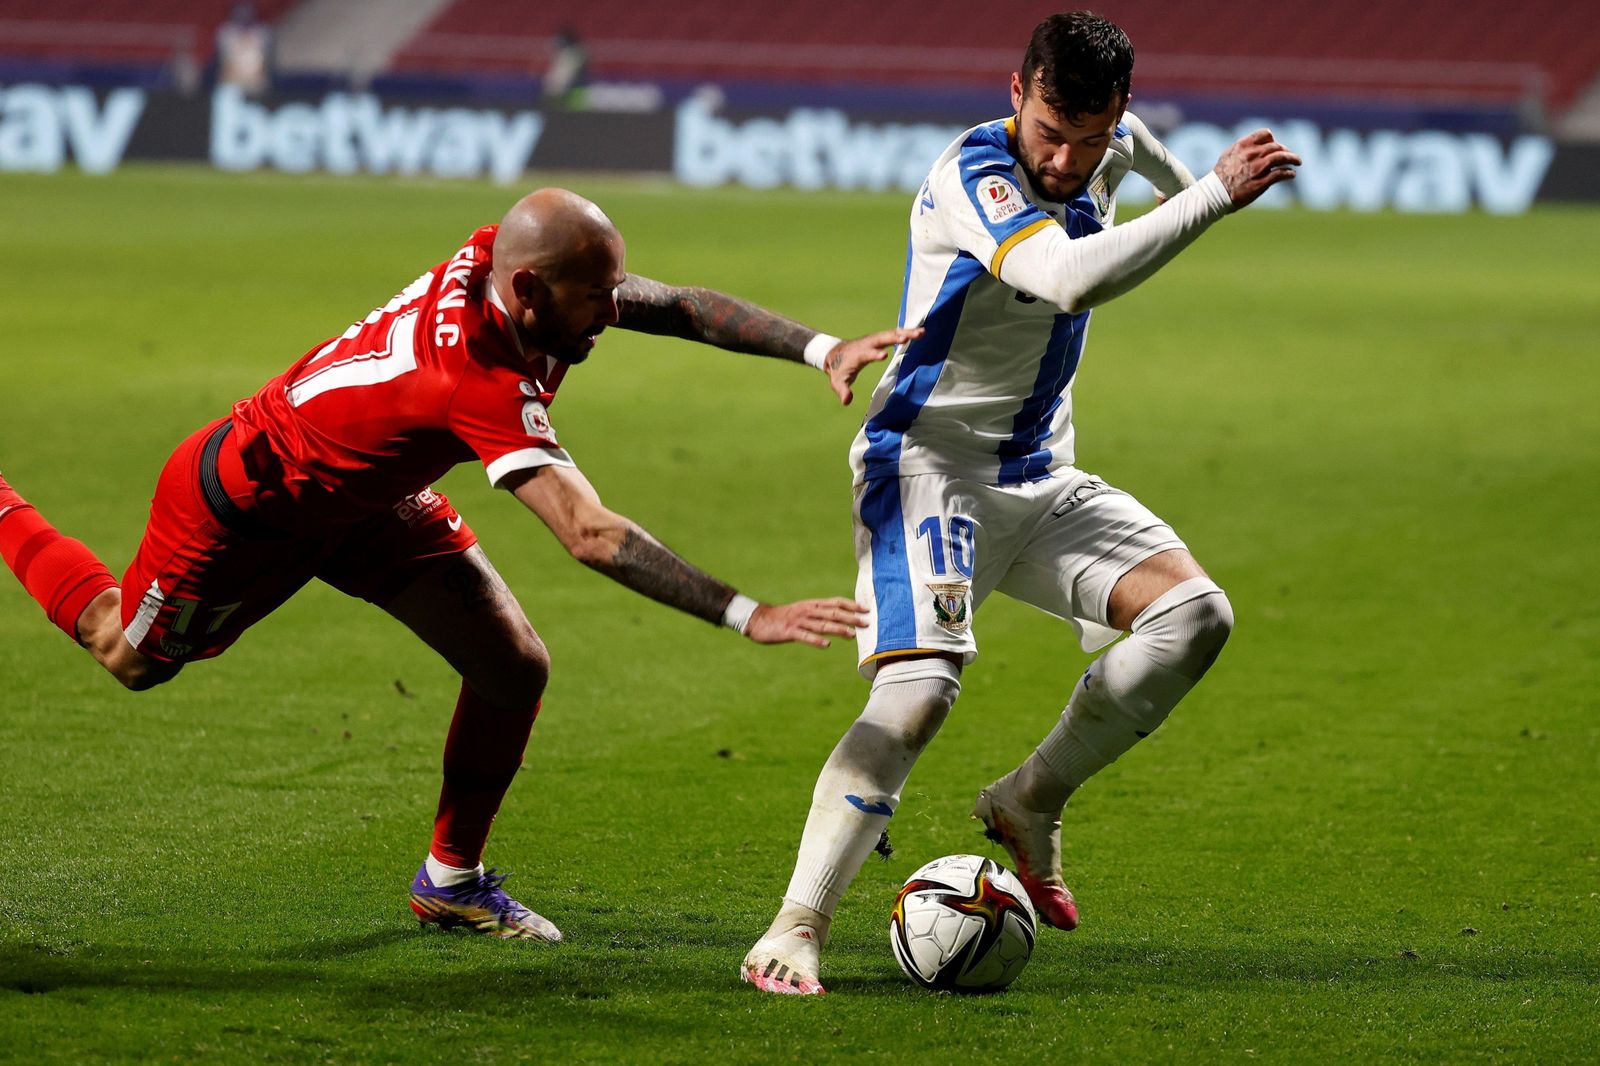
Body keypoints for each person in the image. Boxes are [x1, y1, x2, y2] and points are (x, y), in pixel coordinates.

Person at [0, 188, 918, 942]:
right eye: (593, 299)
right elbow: (589, 533)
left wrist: (818, 347)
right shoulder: (474, 375)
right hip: (248, 505)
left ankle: (451, 879)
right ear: (526, 293)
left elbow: (671, 304)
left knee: (512, 665)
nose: (612, 310)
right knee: (126, 652)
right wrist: (746, 612)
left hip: (363, 500)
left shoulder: (513, 268)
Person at [742, 11, 1300, 994]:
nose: (1062, 156)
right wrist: (1210, 195)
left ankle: (1029, 800)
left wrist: (1176, 179)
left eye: (1086, 139)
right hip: (927, 464)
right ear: (1015, 92)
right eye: (1048, 128)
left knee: (1193, 617)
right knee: (918, 693)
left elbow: (1141, 154)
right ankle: (796, 924)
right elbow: (1066, 279)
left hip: (1042, 471)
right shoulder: (976, 174)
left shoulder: (1109, 139)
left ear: (1115, 111)